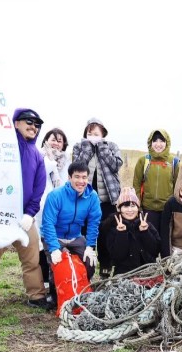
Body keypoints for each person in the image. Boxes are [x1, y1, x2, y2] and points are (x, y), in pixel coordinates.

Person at [0, 108, 50, 311]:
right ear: (15, 123)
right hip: (0, 216)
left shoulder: (37, 155)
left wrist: (29, 214)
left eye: (37, 124)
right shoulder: (2, 148)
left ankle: (36, 295)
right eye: (28, 122)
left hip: (24, 217)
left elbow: (39, 188)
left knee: (32, 258)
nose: (33, 127)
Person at [71, 118, 123, 273]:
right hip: (84, 198)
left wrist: (102, 148)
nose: (93, 136)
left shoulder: (111, 146)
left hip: (107, 199)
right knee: (85, 232)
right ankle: (86, 265)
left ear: (103, 134)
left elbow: (115, 165)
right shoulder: (79, 146)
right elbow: (76, 167)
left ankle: (105, 265)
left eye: (96, 133)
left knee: (105, 232)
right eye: (90, 133)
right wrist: (87, 148)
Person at [41, 161, 102, 291]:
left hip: (75, 236)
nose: (81, 181)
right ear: (69, 178)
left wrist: (90, 246)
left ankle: (83, 287)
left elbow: (94, 223)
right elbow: (48, 223)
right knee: (59, 264)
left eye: (84, 177)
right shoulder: (56, 195)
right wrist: (54, 248)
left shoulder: (92, 196)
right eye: (77, 177)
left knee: (89, 262)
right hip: (55, 236)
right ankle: (55, 292)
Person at [37, 127, 69, 296]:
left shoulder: (66, 160)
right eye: (53, 139)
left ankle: (55, 280)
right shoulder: (39, 156)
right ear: (46, 141)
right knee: (40, 242)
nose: (56, 143)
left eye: (59, 140)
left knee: (53, 242)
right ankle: (41, 282)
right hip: (40, 204)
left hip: (59, 206)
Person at [103, 187, 161, 275]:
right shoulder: (112, 227)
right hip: (124, 275)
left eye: (133, 205)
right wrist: (121, 234)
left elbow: (155, 250)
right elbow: (117, 256)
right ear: (119, 209)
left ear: (138, 207)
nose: (130, 210)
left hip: (148, 272)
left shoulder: (146, 224)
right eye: (126, 206)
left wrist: (145, 232)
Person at [133, 129, 178, 233]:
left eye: (162, 141)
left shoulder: (174, 162)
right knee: (150, 238)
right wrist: (138, 207)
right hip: (148, 209)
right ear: (150, 143)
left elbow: (178, 187)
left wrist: (175, 208)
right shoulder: (143, 161)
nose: (158, 144)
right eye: (155, 141)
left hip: (168, 209)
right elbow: (136, 185)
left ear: (167, 143)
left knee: (165, 239)